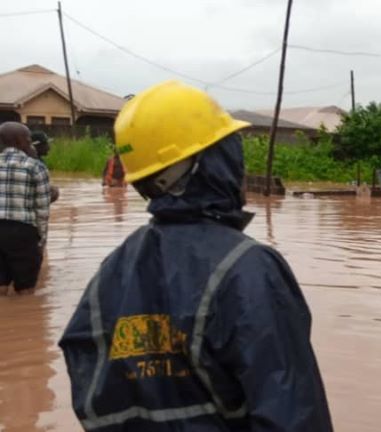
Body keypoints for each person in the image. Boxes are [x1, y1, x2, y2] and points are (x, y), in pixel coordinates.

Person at [58, 81, 334, 431]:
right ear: (212, 163)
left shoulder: (112, 270)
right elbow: (294, 414)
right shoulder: (249, 269)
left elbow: (92, 389)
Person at [0, 122, 51, 296]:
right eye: (28, 138)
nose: (30, 142)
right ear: (20, 141)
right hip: (23, 231)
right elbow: (42, 210)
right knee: (25, 291)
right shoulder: (35, 166)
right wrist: (41, 241)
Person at [31, 131, 59, 203]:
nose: (49, 147)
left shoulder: (38, 161)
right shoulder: (37, 164)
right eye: (46, 144)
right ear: (37, 146)